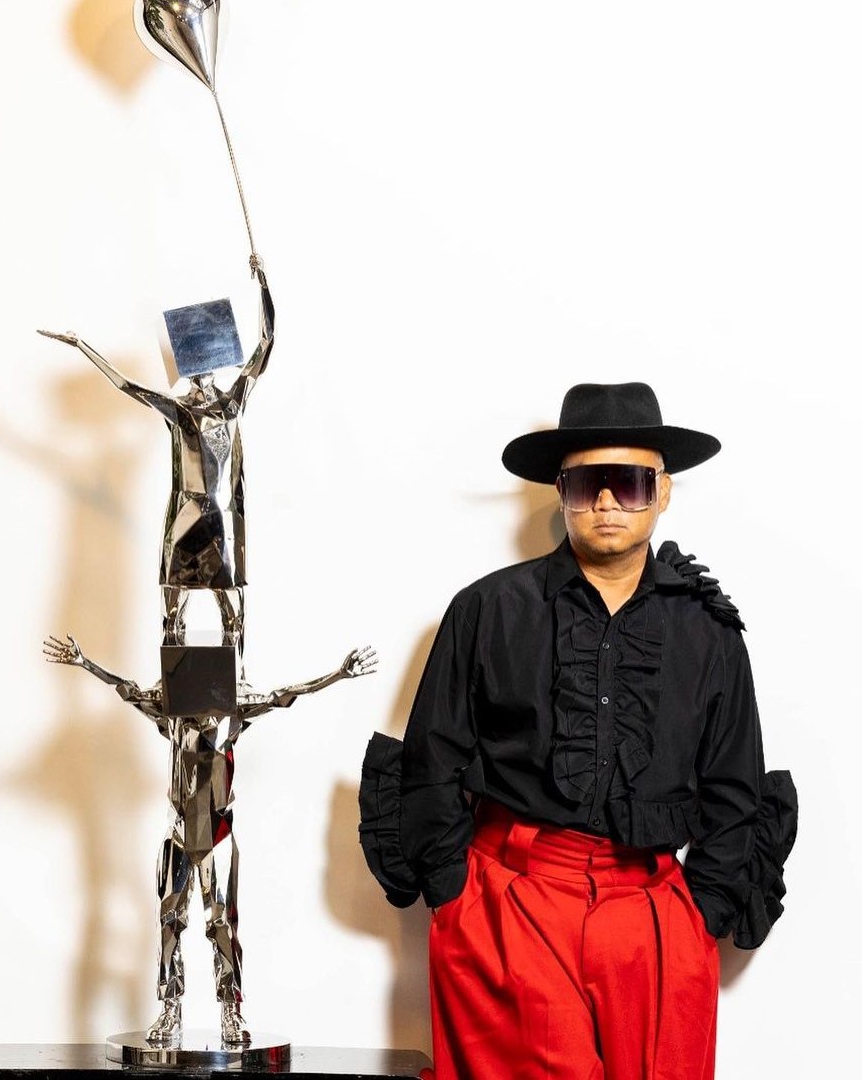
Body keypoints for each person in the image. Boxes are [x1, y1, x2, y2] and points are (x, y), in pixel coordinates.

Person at [359, 382, 797, 1080]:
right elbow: (433, 756)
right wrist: (454, 895)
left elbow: (733, 781)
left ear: (663, 492)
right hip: (511, 903)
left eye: (631, 483)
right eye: (589, 484)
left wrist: (701, 916)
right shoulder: (487, 609)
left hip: (653, 917)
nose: (608, 502)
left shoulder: (709, 630)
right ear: (561, 492)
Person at [44, 632, 377, 1047]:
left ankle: (231, 1012)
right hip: (179, 833)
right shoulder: (173, 716)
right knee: (169, 922)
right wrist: (85, 662)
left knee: (222, 925)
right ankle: (170, 1009)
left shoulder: (232, 713)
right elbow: (128, 690)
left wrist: (338, 674)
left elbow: (285, 695)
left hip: (217, 835)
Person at [40, 256, 274, 653]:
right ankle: (176, 683)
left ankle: (236, 682)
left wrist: (263, 283)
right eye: (195, 372)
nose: (201, 377)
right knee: (172, 616)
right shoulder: (179, 409)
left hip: (223, 517)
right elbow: (128, 387)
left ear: (216, 364)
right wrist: (82, 346)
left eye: (206, 369)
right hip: (184, 517)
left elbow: (266, 343)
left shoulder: (232, 403)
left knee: (233, 616)